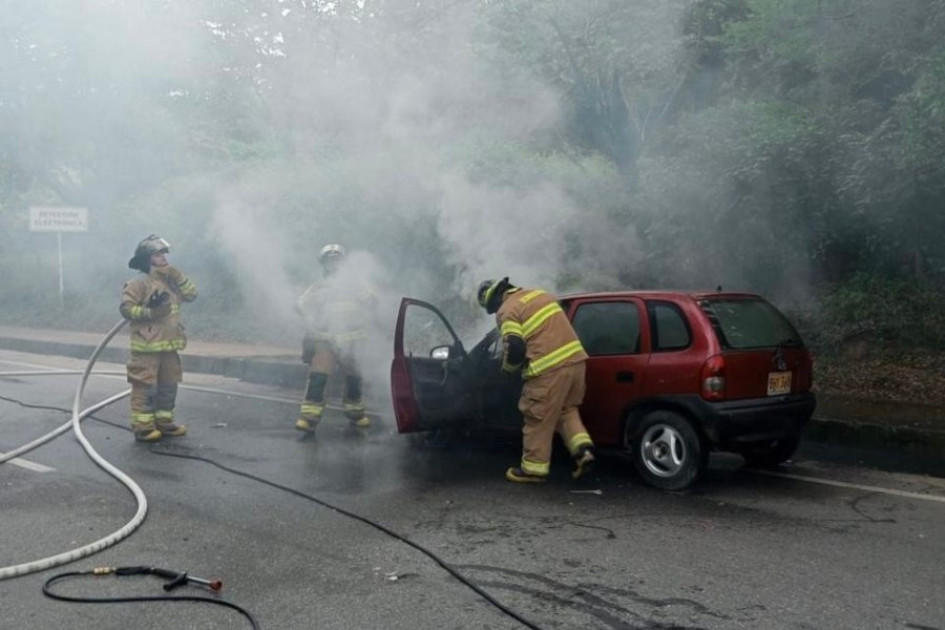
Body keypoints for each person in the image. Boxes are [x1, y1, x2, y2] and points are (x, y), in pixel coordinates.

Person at [477, 277, 596, 483]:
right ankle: (583, 451)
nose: (496, 312)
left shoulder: (508, 310)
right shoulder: (541, 295)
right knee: (567, 410)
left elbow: (515, 347)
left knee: (536, 418)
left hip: (549, 370)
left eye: (492, 309)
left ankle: (533, 469)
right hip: (577, 363)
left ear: (494, 299)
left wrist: (507, 371)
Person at [120, 235, 198, 442]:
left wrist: (177, 275)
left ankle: (165, 423)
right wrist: (151, 312)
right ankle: (143, 427)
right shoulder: (138, 283)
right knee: (145, 386)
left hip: (169, 346)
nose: (163, 258)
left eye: (164, 253)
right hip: (146, 346)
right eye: (157, 254)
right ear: (146, 259)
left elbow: (192, 294)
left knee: (169, 385)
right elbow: (126, 310)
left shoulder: (171, 282)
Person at [294, 243, 373, 435]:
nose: (333, 265)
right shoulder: (317, 287)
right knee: (318, 378)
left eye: (336, 261)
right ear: (323, 265)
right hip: (325, 341)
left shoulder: (355, 285)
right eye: (329, 262)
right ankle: (309, 418)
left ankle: (356, 413)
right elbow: (300, 306)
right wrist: (313, 303)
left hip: (350, 342)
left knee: (354, 378)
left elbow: (372, 302)